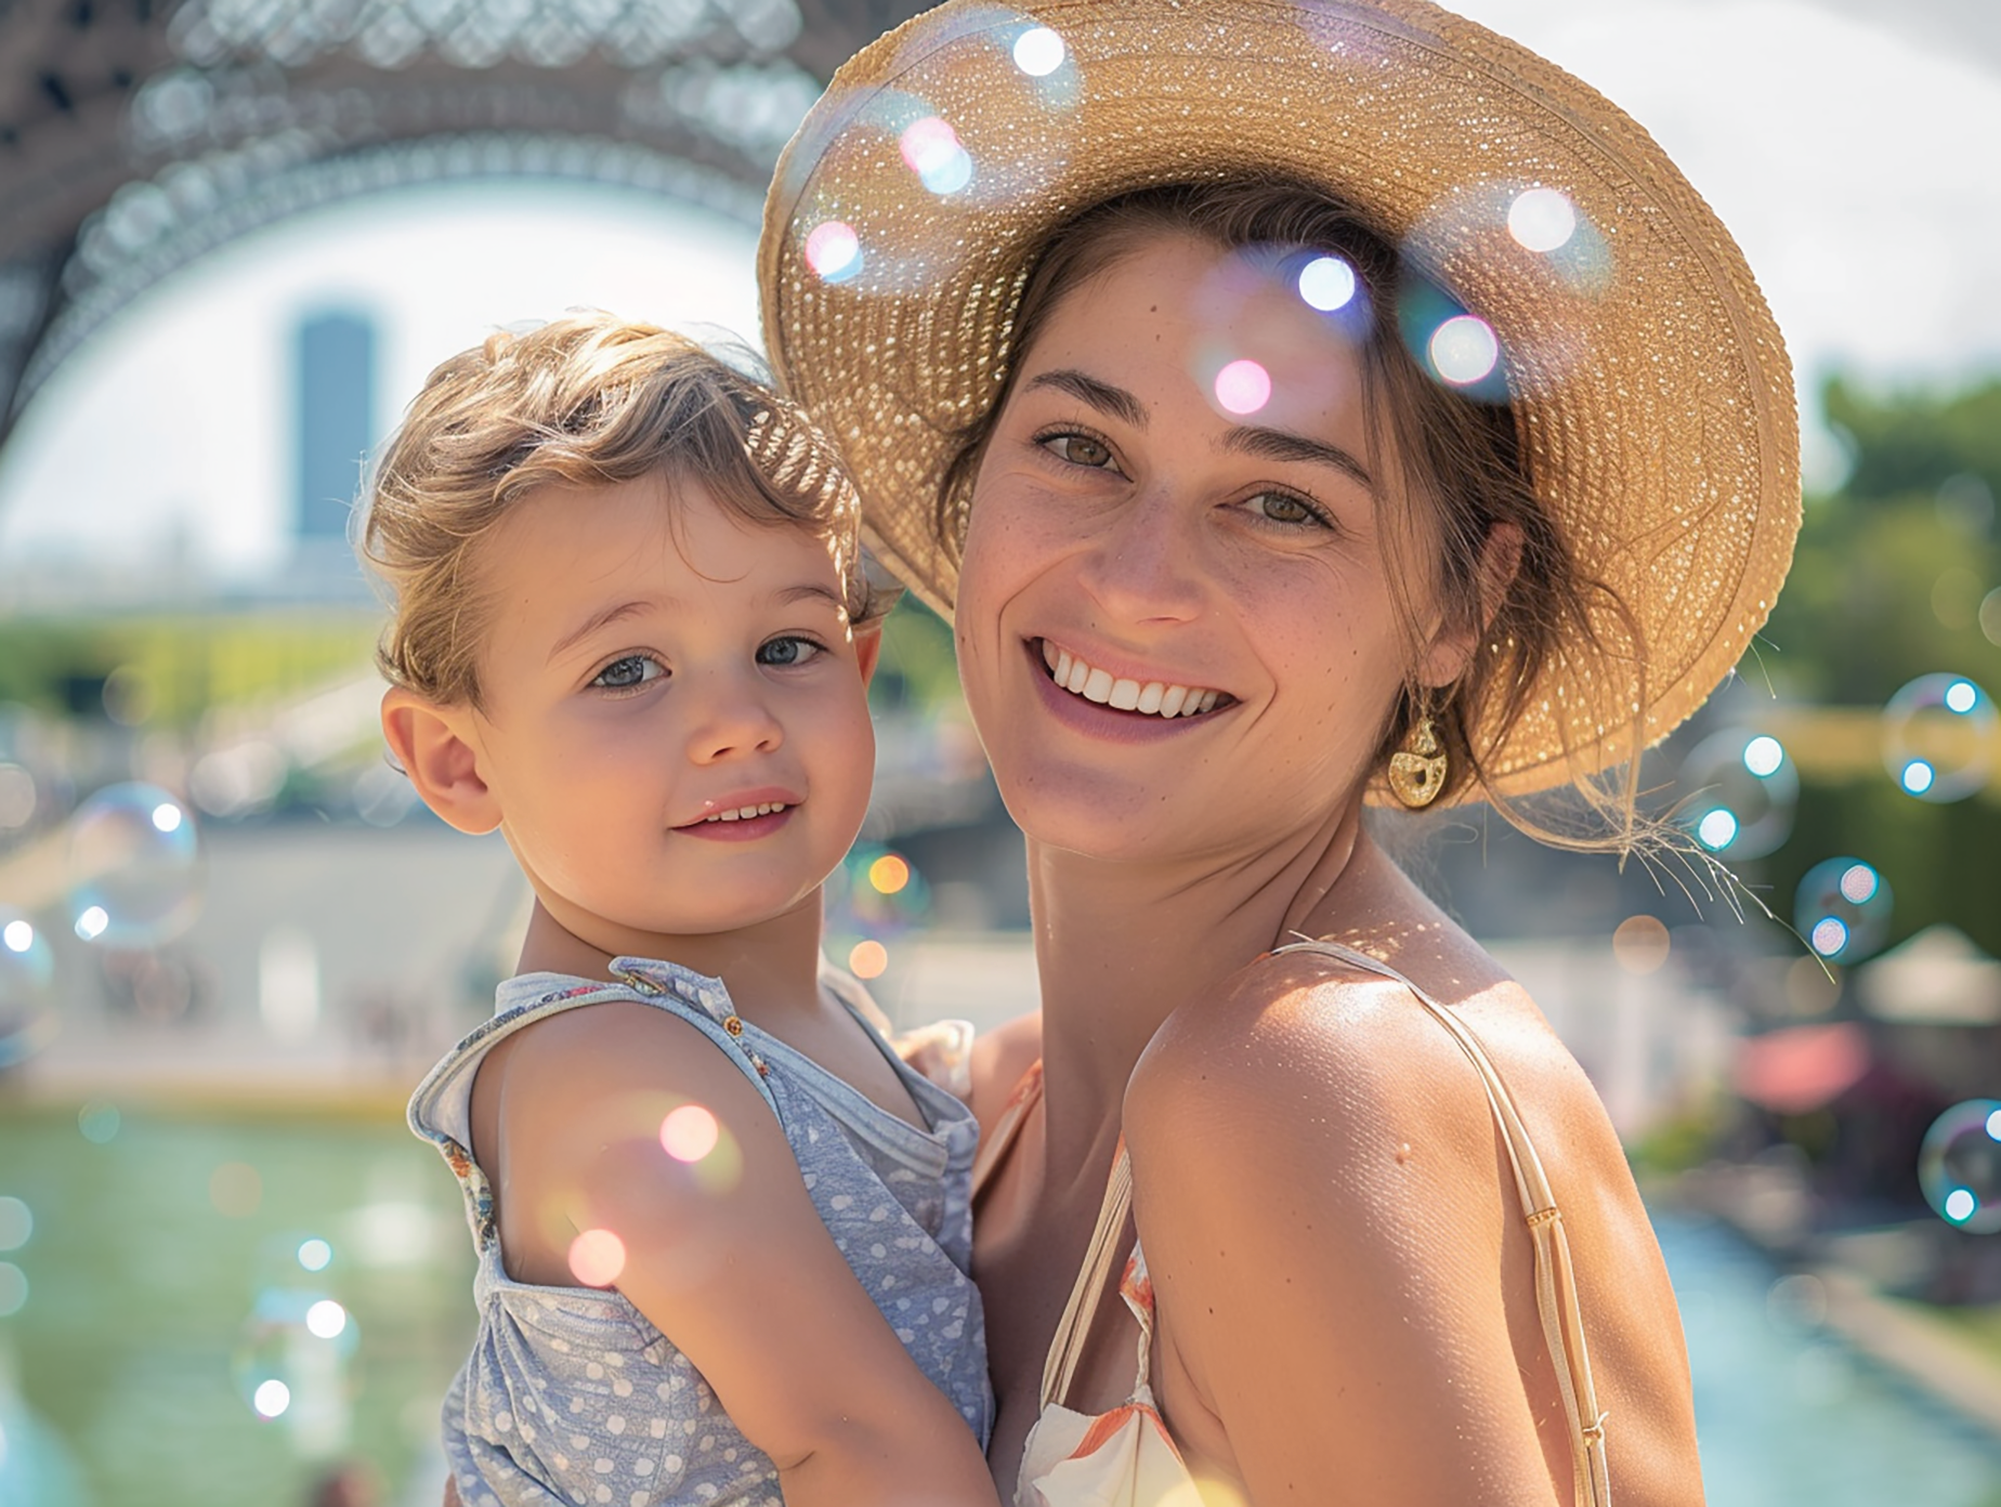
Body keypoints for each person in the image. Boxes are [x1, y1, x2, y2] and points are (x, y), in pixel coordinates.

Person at [760, 2, 1799, 1503]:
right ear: (971, 474)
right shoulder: (979, 1116)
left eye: (1282, 504)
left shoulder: (1305, 1086)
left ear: (1460, 599)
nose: (1135, 576)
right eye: (1080, 447)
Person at [358, 315, 999, 1507]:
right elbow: (865, 1448)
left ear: (858, 674)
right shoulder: (613, 1067)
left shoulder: (767, 1026)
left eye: (787, 644)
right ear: (457, 759)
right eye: (627, 670)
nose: (738, 718)